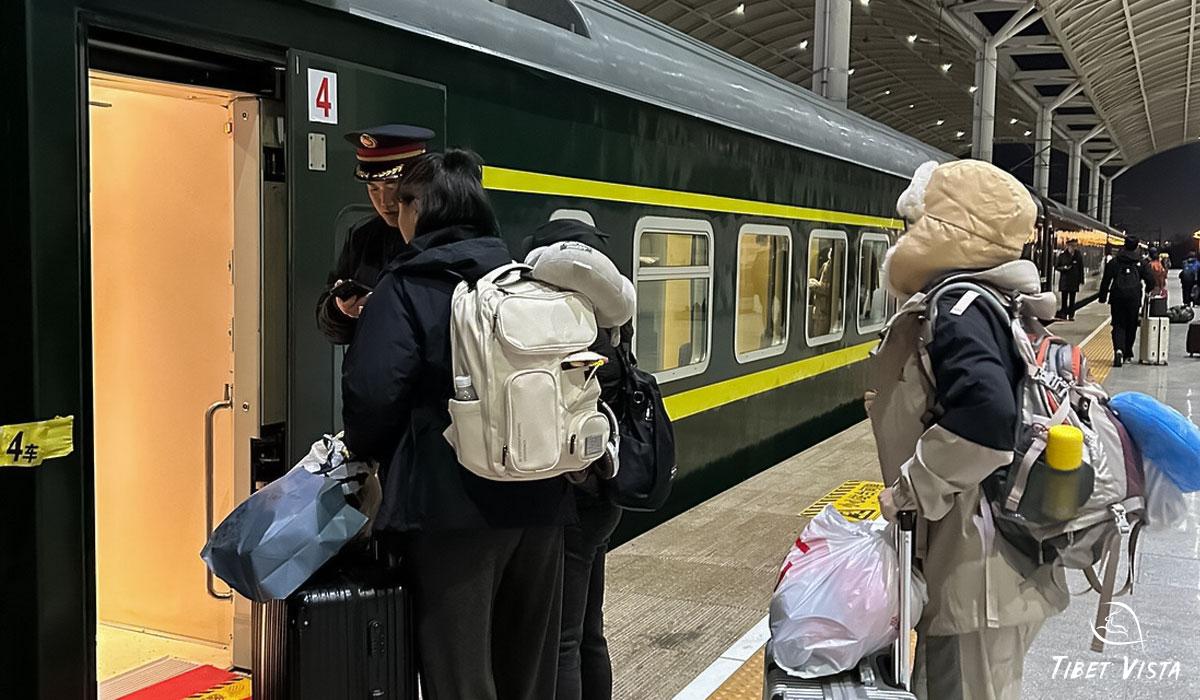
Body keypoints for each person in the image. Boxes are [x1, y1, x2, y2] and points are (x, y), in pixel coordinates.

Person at [341, 150, 574, 700]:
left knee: (461, 679)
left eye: (401, 206)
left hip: (450, 511)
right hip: (541, 501)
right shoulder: (522, 279)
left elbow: (372, 394)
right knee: (527, 676)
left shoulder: (406, 286)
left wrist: (366, 454)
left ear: (419, 209)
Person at [869, 160, 1068, 700]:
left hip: (977, 569)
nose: (905, 234)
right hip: (993, 560)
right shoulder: (989, 301)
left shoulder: (959, 308)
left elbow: (987, 420)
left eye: (916, 221)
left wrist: (909, 489)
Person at [520, 220, 627, 700]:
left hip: (574, 499)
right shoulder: (611, 326)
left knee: (561, 641)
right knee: (589, 631)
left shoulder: (567, 331)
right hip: (604, 497)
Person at [315, 124, 434, 344]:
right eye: (373, 189)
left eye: (392, 185)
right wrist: (341, 310)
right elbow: (327, 323)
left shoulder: (444, 236)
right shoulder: (363, 237)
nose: (384, 201)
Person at [1099, 237, 1154, 367]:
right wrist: (1148, 290)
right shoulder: (1141, 262)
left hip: (1117, 298)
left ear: (1124, 246)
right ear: (1136, 247)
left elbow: (1106, 280)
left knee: (1118, 324)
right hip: (1134, 299)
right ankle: (1127, 353)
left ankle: (1119, 349)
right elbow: (1150, 280)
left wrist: (1102, 297)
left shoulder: (1114, 262)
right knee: (1131, 325)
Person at [1054, 239, 1084, 320]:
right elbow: (1057, 266)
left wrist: (1081, 280)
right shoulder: (1062, 256)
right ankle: (1063, 314)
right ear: (1068, 246)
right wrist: (1064, 268)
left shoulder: (1078, 256)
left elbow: (1081, 268)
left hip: (1074, 281)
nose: (1073, 247)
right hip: (1065, 280)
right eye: (1072, 246)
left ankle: (1071, 315)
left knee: (1072, 299)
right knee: (1064, 299)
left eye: (1075, 246)